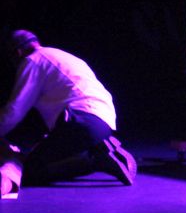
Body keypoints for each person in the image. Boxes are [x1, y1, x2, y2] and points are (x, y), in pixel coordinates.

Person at [0, 30, 136, 186]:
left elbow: (14, 110)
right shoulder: (60, 56)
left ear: (17, 52)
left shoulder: (32, 61)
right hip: (103, 120)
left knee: (29, 171)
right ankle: (98, 148)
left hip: (81, 120)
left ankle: (96, 160)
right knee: (47, 155)